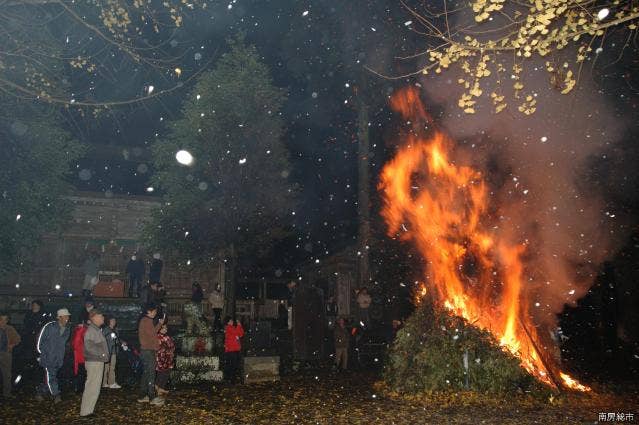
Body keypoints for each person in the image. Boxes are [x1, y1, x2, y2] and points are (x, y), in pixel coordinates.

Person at [36, 308, 71, 403]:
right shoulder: (49, 327)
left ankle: (40, 392)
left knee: (50, 377)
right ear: (59, 317)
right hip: (48, 357)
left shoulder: (67, 329)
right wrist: (42, 353)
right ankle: (56, 395)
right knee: (51, 377)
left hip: (58, 358)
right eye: (65, 316)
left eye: (68, 316)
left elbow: (62, 344)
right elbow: (40, 340)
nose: (67, 318)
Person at [80, 309, 109, 417]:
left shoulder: (95, 330)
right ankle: (86, 412)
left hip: (96, 361)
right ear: (94, 317)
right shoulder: (92, 331)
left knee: (94, 387)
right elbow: (89, 347)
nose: (103, 318)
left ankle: (88, 410)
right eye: (101, 316)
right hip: (94, 362)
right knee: (92, 386)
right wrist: (102, 354)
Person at [137, 303, 165, 406]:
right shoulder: (146, 320)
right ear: (149, 311)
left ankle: (142, 395)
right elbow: (152, 333)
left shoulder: (145, 320)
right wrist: (160, 324)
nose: (155, 313)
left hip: (146, 350)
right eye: (154, 311)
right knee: (151, 373)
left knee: (146, 373)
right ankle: (151, 397)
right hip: (148, 351)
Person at [21, 300, 48, 370]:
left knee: (37, 353)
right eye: (33, 305)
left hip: (39, 337)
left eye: (35, 305)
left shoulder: (44, 314)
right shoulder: (29, 314)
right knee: (28, 354)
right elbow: (25, 324)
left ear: (39, 306)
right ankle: (28, 366)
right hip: (28, 337)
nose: (34, 306)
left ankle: (38, 367)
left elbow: (45, 326)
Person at [0, 313, 21, 398]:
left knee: (7, 374)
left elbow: (18, 339)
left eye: (5, 319)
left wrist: (12, 345)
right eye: (1, 319)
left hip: (6, 354)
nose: (3, 321)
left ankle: (7, 393)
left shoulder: (10, 328)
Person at [155, 324, 175, 396]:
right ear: (160, 329)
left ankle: (158, 387)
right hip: (164, 357)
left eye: (166, 328)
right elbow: (171, 346)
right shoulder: (164, 337)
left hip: (161, 357)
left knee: (161, 372)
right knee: (165, 372)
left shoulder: (157, 336)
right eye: (164, 328)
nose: (166, 329)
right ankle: (160, 387)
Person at [223, 316, 244, 383]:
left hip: (236, 349)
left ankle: (232, 378)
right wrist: (238, 325)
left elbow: (241, 334)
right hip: (231, 350)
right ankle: (231, 379)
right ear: (228, 322)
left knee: (235, 365)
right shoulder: (228, 328)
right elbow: (236, 332)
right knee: (233, 365)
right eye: (231, 320)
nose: (232, 321)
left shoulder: (233, 328)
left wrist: (239, 326)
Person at [102, 317, 121, 389]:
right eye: (112, 320)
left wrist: (120, 342)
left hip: (114, 351)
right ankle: (104, 382)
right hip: (107, 351)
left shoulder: (115, 330)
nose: (114, 322)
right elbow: (102, 339)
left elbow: (117, 339)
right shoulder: (106, 330)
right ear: (109, 321)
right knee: (106, 367)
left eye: (114, 320)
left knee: (112, 367)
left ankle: (111, 382)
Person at [71, 320, 88, 393]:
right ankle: (79, 389)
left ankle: (80, 388)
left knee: (81, 373)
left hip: (81, 356)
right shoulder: (79, 330)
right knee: (81, 373)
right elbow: (76, 344)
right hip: (80, 356)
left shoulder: (79, 330)